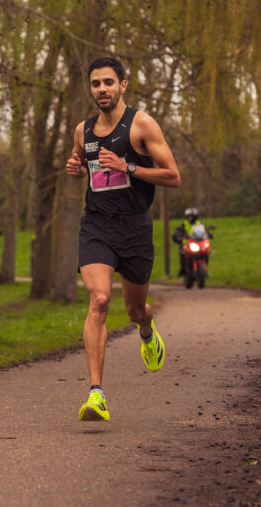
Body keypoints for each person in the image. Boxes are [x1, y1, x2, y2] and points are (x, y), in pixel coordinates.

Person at [65, 56, 181, 421]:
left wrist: (128, 166)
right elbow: (81, 161)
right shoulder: (82, 130)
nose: (102, 89)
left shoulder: (141, 125)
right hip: (97, 224)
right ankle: (96, 394)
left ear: (123, 85)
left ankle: (147, 330)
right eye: (96, 83)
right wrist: (76, 167)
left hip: (134, 228)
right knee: (99, 300)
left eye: (109, 83)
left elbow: (173, 176)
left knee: (134, 310)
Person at [172, 208, 213, 276]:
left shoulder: (199, 224)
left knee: (206, 253)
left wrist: (209, 234)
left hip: (198, 242)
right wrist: (179, 237)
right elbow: (178, 232)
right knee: (182, 253)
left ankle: (205, 269)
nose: (190, 218)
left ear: (195, 217)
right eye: (189, 216)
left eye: (192, 216)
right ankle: (183, 270)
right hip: (187, 243)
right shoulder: (184, 224)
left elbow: (204, 231)